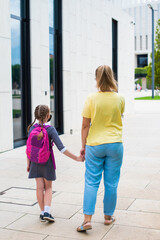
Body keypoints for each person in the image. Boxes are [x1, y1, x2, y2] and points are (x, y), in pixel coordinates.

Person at [77, 65, 125, 232]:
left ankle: (87, 220)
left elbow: (85, 125)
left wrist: (83, 147)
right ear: (112, 77)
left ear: (97, 79)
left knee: (91, 182)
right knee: (111, 183)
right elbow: (120, 117)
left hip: (95, 145)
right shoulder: (120, 98)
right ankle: (108, 217)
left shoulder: (91, 98)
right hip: (115, 144)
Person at [27, 105, 83, 222]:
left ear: (36, 116)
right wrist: (76, 158)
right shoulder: (51, 130)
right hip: (47, 162)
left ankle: (42, 213)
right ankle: (47, 211)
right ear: (48, 116)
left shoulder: (32, 129)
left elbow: (28, 149)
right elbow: (61, 148)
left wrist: (28, 164)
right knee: (48, 188)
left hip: (35, 163)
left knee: (39, 188)